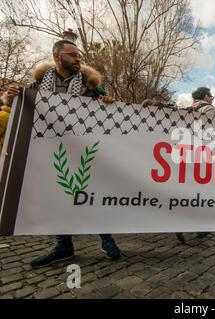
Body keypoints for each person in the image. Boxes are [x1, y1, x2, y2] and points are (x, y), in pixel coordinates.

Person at [3, 40, 121, 267]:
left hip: (83, 150)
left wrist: (107, 101)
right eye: (73, 54)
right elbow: (18, 109)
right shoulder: (36, 86)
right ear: (57, 56)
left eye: (80, 55)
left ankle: (107, 239)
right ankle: (63, 245)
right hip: (49, 152)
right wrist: (11, 98)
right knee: (54, 197)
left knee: (91, 193)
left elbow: (109, 111)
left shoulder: (91, 87)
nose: (79, 58)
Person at [175, 87, 215, 244]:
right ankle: (201, 227)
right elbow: (209, 130)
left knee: (189, 190)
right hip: (202, 153)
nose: (212, 99)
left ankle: (180, 220)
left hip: (185, 152)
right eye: (211, 96)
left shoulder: (188, 109)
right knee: (203, 192)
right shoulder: (209, 108)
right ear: (206, 97)